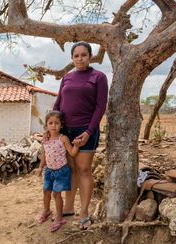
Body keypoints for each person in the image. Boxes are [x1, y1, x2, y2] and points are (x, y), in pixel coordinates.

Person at [53, 41, 108, 230]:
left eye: (83, 55)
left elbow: (101, 107)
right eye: (76, 56)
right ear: (72, 58)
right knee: (70, 169)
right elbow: (58, 103)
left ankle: (84, 212)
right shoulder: (67, 78)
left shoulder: (98, 77)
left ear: (90, 57)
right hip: (66, 130)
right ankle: (68, 208)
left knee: (84, 170)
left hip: (86, 129)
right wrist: (52, 129)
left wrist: (88, 131)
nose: (80, 58)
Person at [37, 111, 81, 232]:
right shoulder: (46, 139)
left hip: (61, 171)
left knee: (56, 194)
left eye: (56, 123)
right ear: (46, 125)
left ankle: (59, 218)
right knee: (46, 191)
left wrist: (76, 145)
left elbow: (72, 153)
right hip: (49, 171)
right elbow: (45, 154)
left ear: (61, 125)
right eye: (50, 123)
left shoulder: (63, 139)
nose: (53, 125)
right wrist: (41, 167)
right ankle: (46, 211)